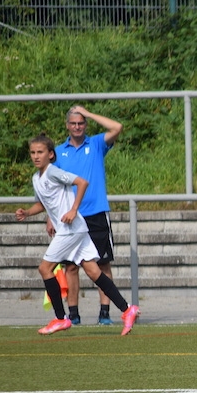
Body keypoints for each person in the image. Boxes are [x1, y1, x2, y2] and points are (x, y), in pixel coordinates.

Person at [17, 134, 140, 336]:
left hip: (71, 229)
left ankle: (60, 318)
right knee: (92, 271)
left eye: (40, 152)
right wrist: (27, 213)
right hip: (75, 229)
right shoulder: (36, 178)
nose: (36, 156)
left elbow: (82, 182)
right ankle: (127, 309)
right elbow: (43, 203)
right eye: (33, 152)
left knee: (45, 268)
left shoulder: (53, 172)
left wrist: (74, 209)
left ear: (50, 154)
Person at [54, 105, 122, 326]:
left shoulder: (96, 144)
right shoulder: (59, 152)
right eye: (73, 123)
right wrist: (50, 217)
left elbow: (117, 127)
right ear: (67, 125)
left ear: (86, 125)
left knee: (102, 264)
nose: (77, 127)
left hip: (96, 213)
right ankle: (73, 314)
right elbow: (54, 187)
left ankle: (104, 312)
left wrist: (89, 113)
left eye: (81, 123)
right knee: (71, 266)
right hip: (70, 217)